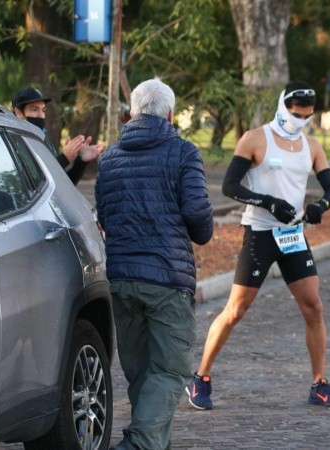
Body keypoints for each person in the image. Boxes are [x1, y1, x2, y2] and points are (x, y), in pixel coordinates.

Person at [187, 81, 330, 410]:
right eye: (296, 114)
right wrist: (268, 202)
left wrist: (320, 207)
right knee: (236, 309)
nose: (301, 120)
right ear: (283, 106)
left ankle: (319, 383)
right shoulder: (255, 138)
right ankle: (201, 377)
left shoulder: (312, 146)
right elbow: (230, 186)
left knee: (314, 307)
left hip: (293, 236)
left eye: (307, 115)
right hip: (260, 233)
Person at [95, 78, 214, 450]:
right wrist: (203, 231)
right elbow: (197, 213)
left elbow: (104, 216)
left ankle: (147, 443)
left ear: (132, 113)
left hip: (122, 278)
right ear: (171, 114)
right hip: (166, 279)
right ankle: (139, 442)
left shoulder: (109, 158)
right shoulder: (183, 152)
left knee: (142, 374)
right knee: (170, 370)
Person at [11, 86, 104, 185]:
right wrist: (64, 159)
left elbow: (61, 185)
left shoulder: (45, 142)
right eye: (34, 109)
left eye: (43, 110)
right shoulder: (14, 143)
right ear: (19, 112)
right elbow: (37, 182)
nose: (41, 115)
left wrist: (80, 162)